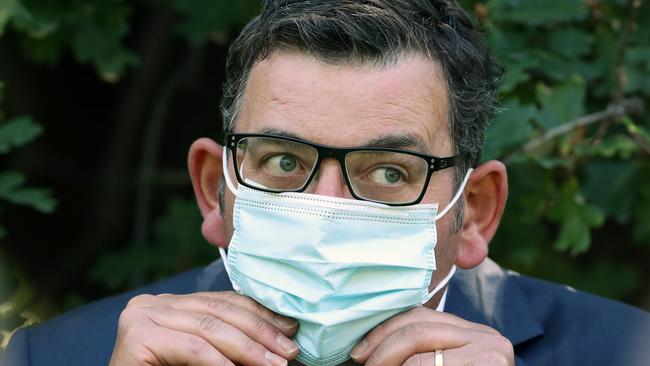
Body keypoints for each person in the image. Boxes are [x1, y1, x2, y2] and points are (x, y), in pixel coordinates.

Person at [3, 0, 650, 365]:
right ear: (214, 188)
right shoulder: (57, 357)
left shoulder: (626, 354)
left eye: (390, 172)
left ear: (474, 212)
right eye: (284, 161)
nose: (325, 209)